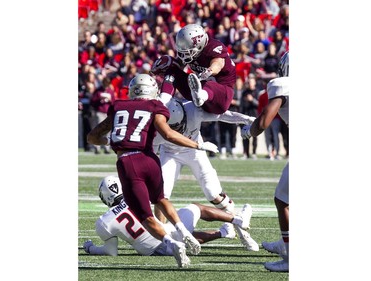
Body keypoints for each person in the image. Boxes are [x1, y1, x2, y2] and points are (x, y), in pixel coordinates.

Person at [86, 73, 222, 268]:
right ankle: (183, 232)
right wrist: (198, 146)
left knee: (146, 217)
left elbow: (92, 137)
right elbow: (167, 134)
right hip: (150, 159)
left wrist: (112, 141)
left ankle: (173, 243)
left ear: (132, 90)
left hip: (128, 161)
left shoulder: (118, 106)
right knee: (161, 200)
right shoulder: (155, 106)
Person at [153, 97, 259, 252]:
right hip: (170, 153)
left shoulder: (193, 109)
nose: (177, 131)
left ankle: (240, 230)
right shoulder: (156, 125)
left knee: (213, 193)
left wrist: (247, 119)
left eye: (178, 126)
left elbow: (223, 115)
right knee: (160, 195)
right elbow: (149, 150)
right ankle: (161, 237)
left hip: (195, 151)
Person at [83, 175, 253, 257]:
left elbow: (111, 252)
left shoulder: (104, 221)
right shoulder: (137, 196)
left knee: (182, 235)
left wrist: (91, 248)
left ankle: (226, 230)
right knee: (195, 209)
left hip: (158, 248)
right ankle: (234, 220)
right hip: (167, 233)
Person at [241, 51, 289, 272]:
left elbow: (264, 121)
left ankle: (291, 258)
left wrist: (249, 132)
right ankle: (285, 243)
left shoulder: (283, 84)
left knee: (283, 201)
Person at [151, 23, 237, 115]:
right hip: (196, 92)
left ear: (199, 45)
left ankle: (200, 95)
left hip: (221, 97)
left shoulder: (213, 47)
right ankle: (163, 101)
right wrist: (168, 63)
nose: (183, 54)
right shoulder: (193, 51)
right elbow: (178, 64)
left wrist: (209, 71)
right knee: (173, 71)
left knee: (206, 84)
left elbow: (218, 64)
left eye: (187, 49)